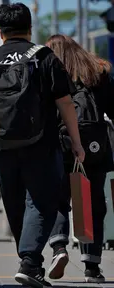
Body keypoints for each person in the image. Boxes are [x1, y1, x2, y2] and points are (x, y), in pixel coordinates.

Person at [0, 3, 84, 287]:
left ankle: (30, 262)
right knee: (42, 201)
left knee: (14, 201)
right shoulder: (43, 56)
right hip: (41, 144)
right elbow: (65, 103)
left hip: (1, 147)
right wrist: (77, 143)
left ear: (0, 31)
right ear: (30, 27)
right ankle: (30, 262)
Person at [46, 34, 114, 284]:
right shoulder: (98, 70)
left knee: (59, 200)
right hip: (95, 148)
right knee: (92, 203)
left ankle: (59, 248)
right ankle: (92, 266)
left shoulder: (51, 71)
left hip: (61, 144)